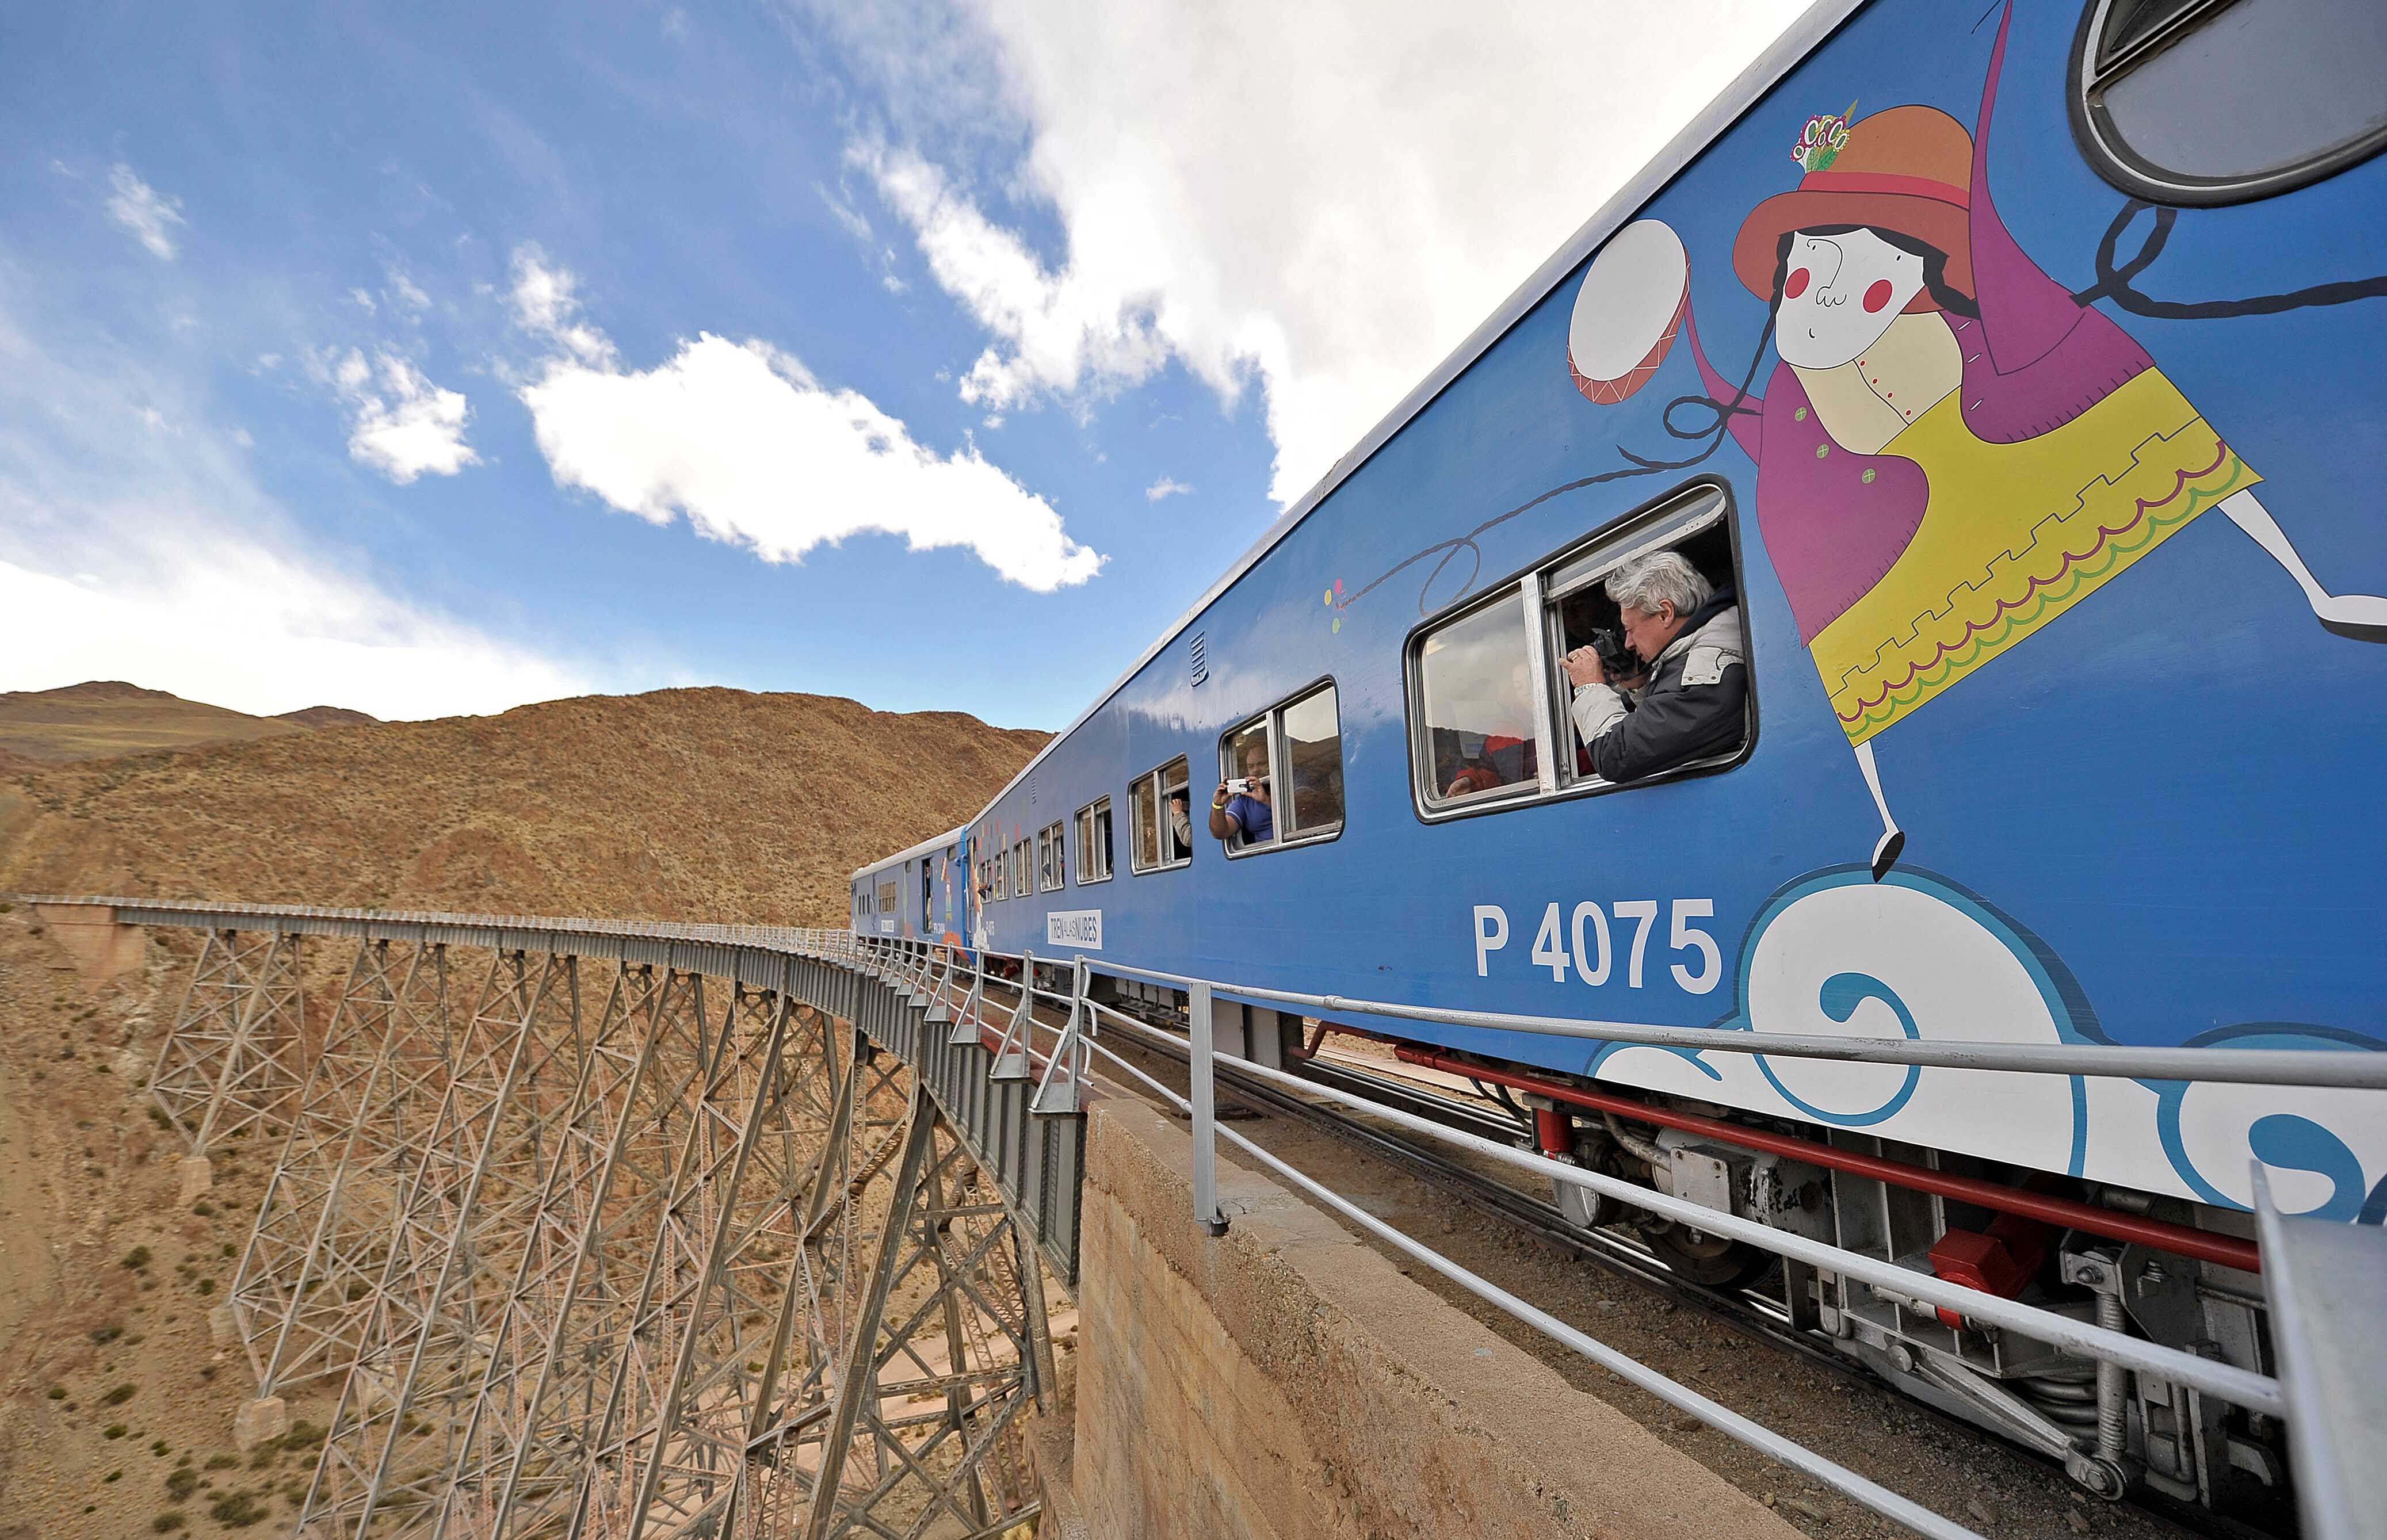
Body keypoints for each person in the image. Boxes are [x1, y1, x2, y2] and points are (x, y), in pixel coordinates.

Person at [1561, 551, 1744, 783]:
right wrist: (1640, 688)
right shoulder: (1707, 650)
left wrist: (1589, 688)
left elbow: (1616, 755)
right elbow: (1670, 725)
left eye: (1630, 629)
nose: (1628, 643)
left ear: (1665, 614)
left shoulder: (1706, 666)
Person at [1209, 739, 1275, 846]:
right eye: (1251, 766)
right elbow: (1220, 833)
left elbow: (1306, 812)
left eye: (1262, 764)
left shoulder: (1291, 779)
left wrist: (1267, 801)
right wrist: (1217, 805)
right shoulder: (1246, 797)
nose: (1256, 770)